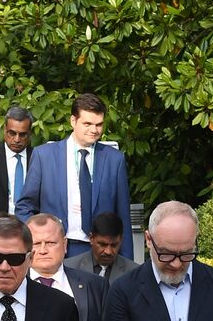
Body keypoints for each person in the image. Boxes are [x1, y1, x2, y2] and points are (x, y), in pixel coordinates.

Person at [16, 93, 133, 258]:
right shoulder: (45, 156)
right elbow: (25, 206)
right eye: (87, 124)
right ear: (73, 121)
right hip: (55, 251)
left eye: (99, 124)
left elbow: (123, 217)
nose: (94, 130)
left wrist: (127, 264)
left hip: (100, 252)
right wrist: (38, 238)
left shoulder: (114, 159)